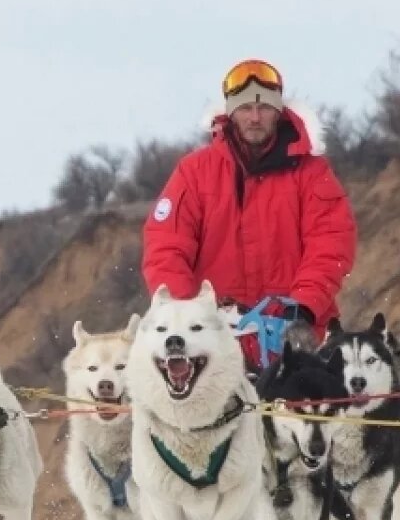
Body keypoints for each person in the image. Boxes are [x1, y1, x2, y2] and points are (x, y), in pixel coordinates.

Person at [141, 58, 358, 372]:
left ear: (278, 111)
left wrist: (302, 308)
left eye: (264, 108)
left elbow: (331, 246)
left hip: (297, 335)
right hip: (214, 341)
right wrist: (190, 314)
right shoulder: (193, 172)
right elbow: (165, 249)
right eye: (245, 108)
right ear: (230, 113)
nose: (255, 118)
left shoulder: (312, 173)